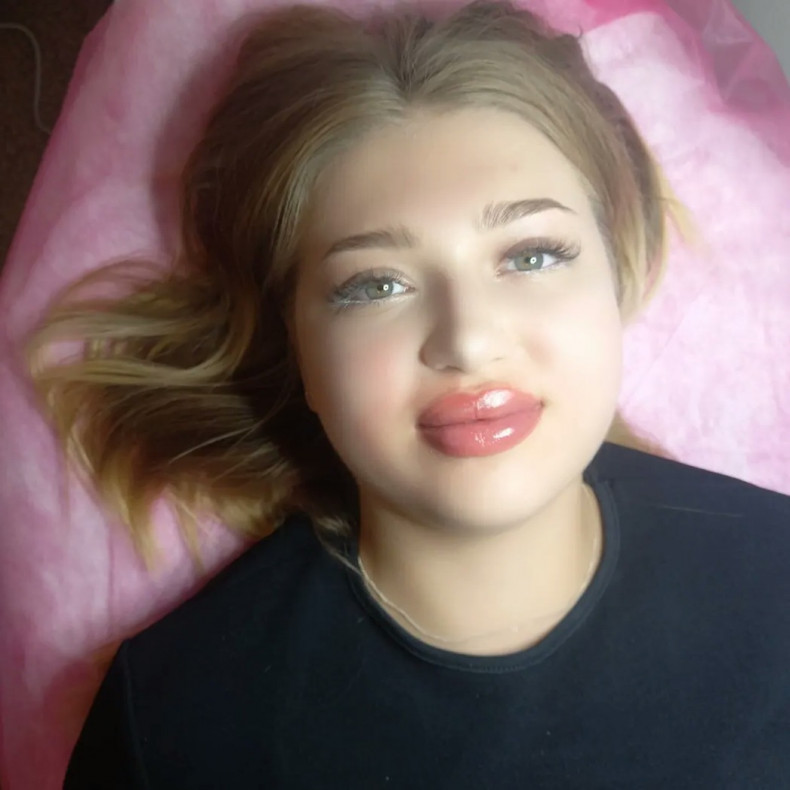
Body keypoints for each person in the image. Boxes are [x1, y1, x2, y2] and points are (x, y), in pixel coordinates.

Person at [22, 1, 788, 787]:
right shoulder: (175, 723)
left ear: (617, 273)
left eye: (531, 255)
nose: (468, 341)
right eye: (375, 284)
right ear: (296, 343)